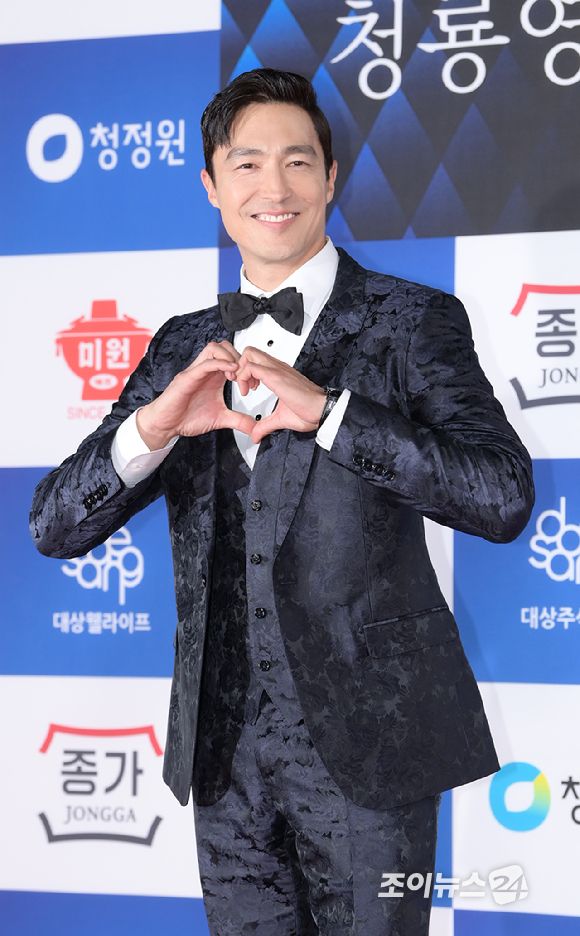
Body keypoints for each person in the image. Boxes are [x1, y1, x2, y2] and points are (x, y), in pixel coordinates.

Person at [30, 67, 534, 934]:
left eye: (298, 162)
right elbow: (54, 524)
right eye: (248, 164)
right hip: (223, 759)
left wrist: (332, 414)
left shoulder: (412, 320)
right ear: (211, 186)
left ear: (330, 179)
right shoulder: (181, 346)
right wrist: (153, 428)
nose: (275, 187)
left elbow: (502, 496)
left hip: (375, 749)